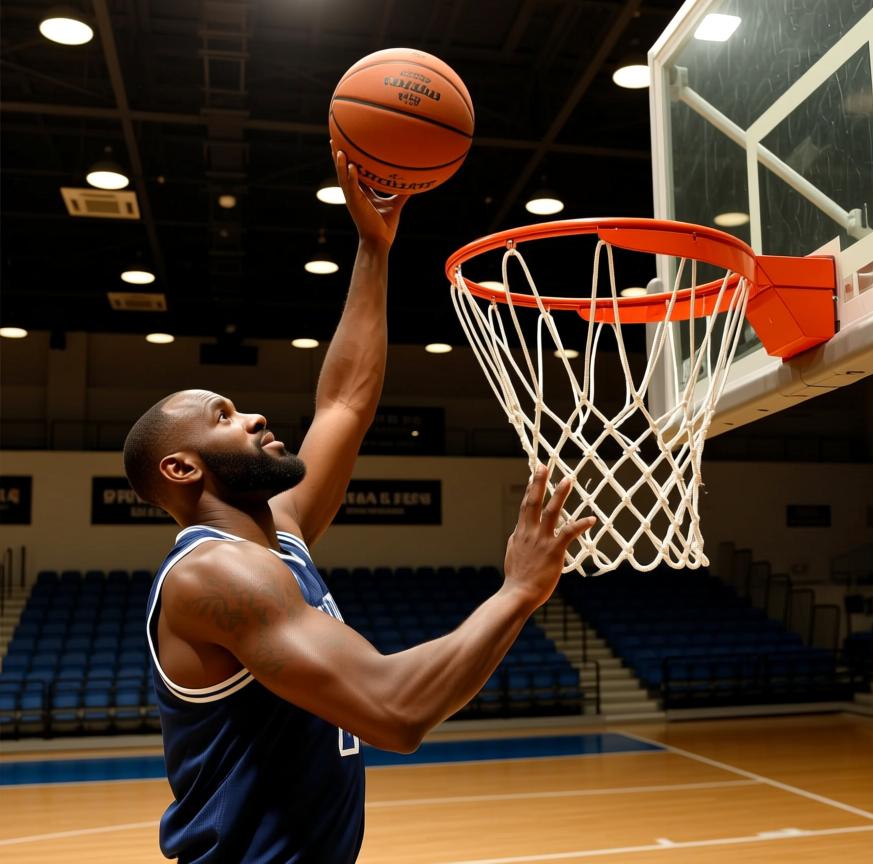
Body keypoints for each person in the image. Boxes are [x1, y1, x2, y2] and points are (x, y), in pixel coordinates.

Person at [122, 149, 596, 863]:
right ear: (182, 466)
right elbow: (395, 711)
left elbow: (344, 400)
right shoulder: (214, 576)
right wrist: (519, 594)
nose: (250, 416)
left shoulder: (278, 533)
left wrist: (374, 249)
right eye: (222, 416)